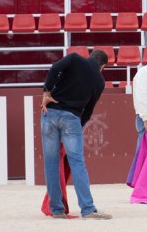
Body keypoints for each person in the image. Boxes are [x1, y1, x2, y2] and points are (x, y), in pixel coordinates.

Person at [41, 50, 112, 219]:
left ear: (90, 57)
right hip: (72, 118)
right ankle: (87, 209)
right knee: (77, 164)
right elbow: (88, 110)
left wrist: (46, 91)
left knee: (51, 164)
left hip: (49, 113)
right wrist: (77, 127)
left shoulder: (74, 59)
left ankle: (57, 210)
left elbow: (54, 69)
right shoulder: (99, 81)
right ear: (102, 66)